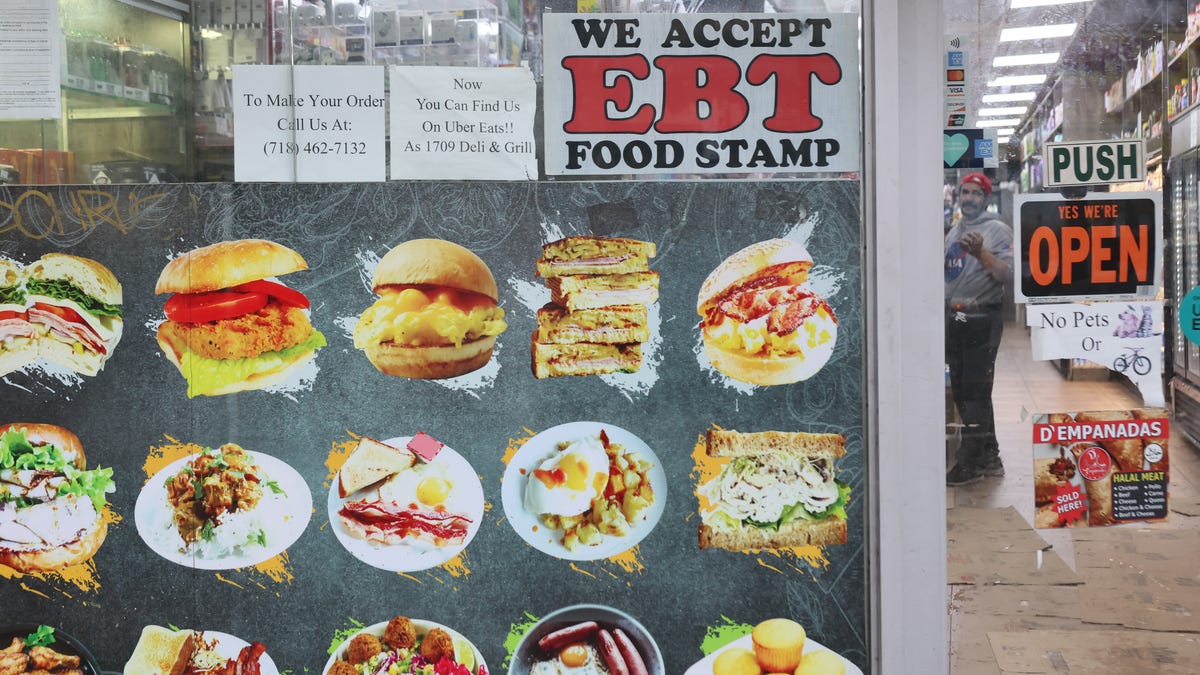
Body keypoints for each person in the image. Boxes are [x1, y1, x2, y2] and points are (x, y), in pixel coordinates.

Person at [944, 173, 1013, 486]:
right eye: (965, 192)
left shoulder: (997, 230)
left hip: (982, 319)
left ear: (986, 198)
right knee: (965, 389)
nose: (969, 198)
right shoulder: (955, 230)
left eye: (975, 193)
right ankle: (989, 456)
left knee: (975, 392)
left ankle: (970, 463)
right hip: (956, 319)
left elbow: (1007, 275)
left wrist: (981, 253)